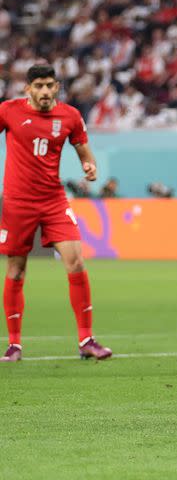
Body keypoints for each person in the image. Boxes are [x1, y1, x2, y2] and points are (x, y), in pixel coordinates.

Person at [0, 64, 112, 362]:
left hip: (53, 199)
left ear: (57, 86)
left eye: (50, 85)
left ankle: (87, 340)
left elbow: (83, 150)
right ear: (28, 89)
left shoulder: (70, 116)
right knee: (16, 269)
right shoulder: (8, 111)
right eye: (39, 86)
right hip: (17, 202)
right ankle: (14, 345)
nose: (46, 91)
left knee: (75, 261)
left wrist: (89, 166)